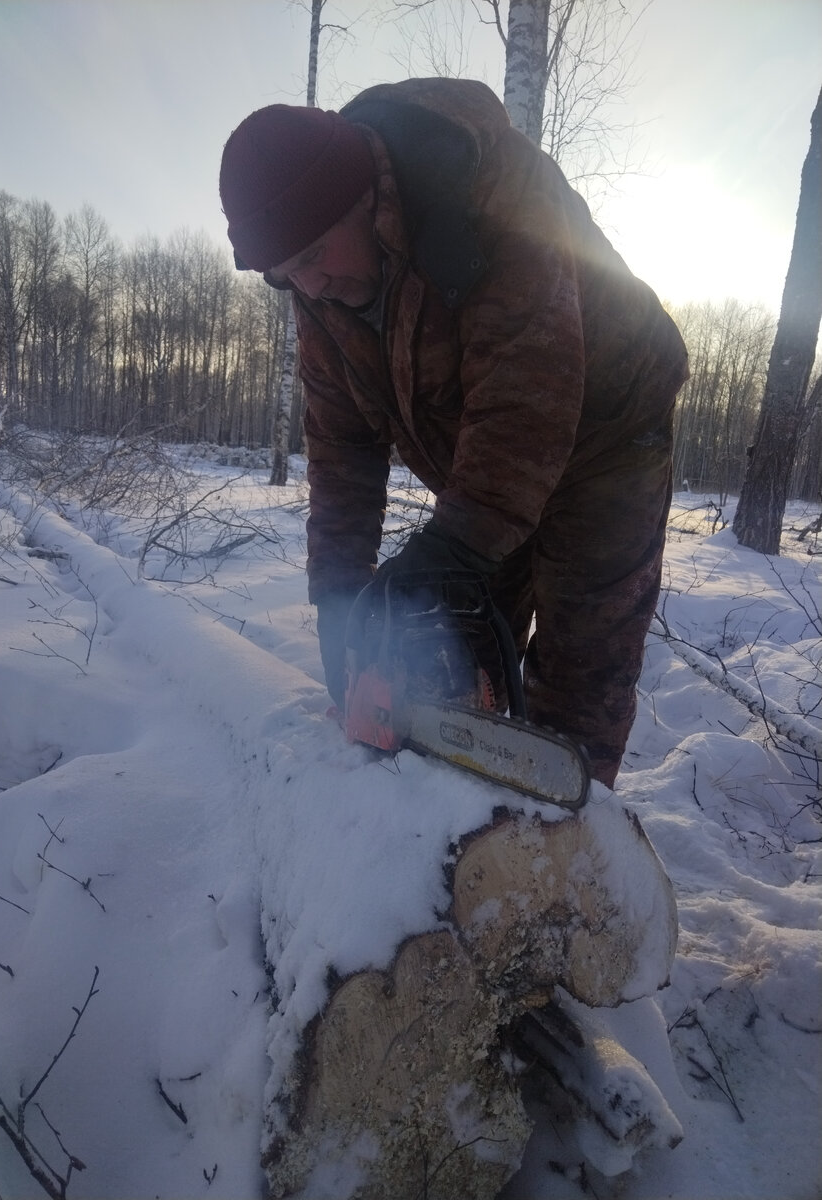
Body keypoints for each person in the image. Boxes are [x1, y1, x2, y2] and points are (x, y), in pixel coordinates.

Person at [218, 77, 689, 788]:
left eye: (313, 257)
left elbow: (527, 391)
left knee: (578, 675)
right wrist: (338, 591)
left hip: (607, 442)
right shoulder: (319, 286)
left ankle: (568, 863)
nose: (308, 286)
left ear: (362, 198)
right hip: (486, 464)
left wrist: (457, 546)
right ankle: (464, 837)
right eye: (284, 277)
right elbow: (341, 445)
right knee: (458, 654)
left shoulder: (487, 191)